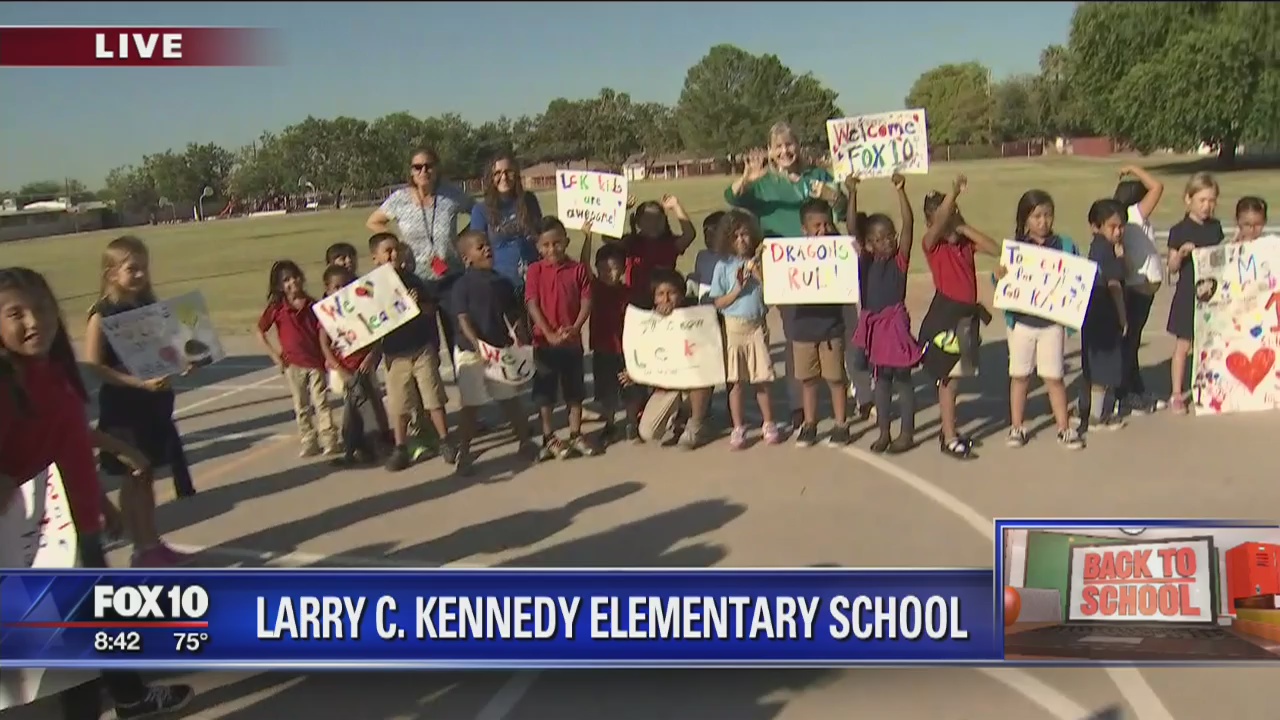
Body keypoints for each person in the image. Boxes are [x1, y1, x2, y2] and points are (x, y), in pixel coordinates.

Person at [0, 266, 195, 720]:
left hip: (78, 523)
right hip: (38, 542)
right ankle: (127, 697)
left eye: (43, 308)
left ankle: (127, 696)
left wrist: (110, 478)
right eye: (16, 313)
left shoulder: (50, 369)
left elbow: (68, 437)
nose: (35, 321)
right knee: (76, 650)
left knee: (93, 629)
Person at [726, 121, 849, 429]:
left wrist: (833, 194)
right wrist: (747, 177)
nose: (785, 151)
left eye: (789, 144)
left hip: (824, 266)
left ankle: (852, 396)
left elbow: (843, 208)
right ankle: (799, 404)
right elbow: (733, 198)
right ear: (770, 151)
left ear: (799, 145)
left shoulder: (817, 176)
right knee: (797, 334)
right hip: (786, 270)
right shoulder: (763, 182)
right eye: (778, 147)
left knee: (839, 329)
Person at [82, 236, 195, 568]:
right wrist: (138, 383)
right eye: (132, 268)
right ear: (111, 272)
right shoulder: (101, 313)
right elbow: (94, 366)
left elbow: (165, 352)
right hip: (124, 410)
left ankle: (150, 543)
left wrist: (182, 362)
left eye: (144, 267)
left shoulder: (149, 307)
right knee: (136, 475)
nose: (141, 274)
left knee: (146, 479)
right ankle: (143, 549)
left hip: (154, 406)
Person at [366, 147, 475, 363]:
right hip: (416, 280)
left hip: (451, 277)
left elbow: (478, 213)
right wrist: (397, 242)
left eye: (429, 166)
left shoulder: (451, 194)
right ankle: (432, 392)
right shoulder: (400, 199)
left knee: (459, 339)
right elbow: (373, 221)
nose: (423, 170)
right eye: (418, 167)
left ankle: (467, 389)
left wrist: (462, 241)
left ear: (436, 169)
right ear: (411, 172)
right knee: (426, 343)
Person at [917, 175, 998, 459]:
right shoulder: (932, 245)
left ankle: (949, 429)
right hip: (946, 315)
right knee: (948, 379)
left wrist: (962, 225)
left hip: (967, 316)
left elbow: (995, 248)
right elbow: (938, 224)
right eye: (945, 217)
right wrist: (952, 196)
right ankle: (949, 435)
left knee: (958, 376)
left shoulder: (964, 243)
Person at [996, 191, 1084, 450]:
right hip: (1023, 323)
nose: (1043, 221)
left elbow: (1077, 276)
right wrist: (999, 275)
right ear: (1026, 219)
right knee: (1020, 375)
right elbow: (1003, 284)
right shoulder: (1016, 248)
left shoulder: (1064, 244)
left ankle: (1064, 428)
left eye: (1047, 215)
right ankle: (1017, 426)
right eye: (1037, 216)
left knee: (1054, 376)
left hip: (1051, 324)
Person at [451, 230, 539, 474]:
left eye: (487, 245)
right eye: (480, 247)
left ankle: (524, 441)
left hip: (500, 350)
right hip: (472, 352)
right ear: (466, 258)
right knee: (471, 405)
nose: (487, 249)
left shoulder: (502, 282)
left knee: (510, 398)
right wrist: (477, 343)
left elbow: (512, 314)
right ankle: (465, 452)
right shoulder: (461, 285)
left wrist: (520, 333)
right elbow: (463, 319)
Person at [367, 233, 454, 471]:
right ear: (375, 257)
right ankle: (400, 447)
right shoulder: (370, 288)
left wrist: (417, 304)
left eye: (396, 249)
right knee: (399, 403)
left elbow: (429, 310)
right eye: (387, 251)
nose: (394, 254)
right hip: (395, 353)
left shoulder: (413, 280)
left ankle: (445, 439)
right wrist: (372, 354)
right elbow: (368, 324)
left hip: (420, 347)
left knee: (432, 396)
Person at [851, 173, 923, 453]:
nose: (888, 241)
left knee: (903, 380)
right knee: (880, 381)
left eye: (890, 236)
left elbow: (909, 224)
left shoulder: (900, 261)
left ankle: (906, 433)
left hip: (895, 326)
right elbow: (853, 228)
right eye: (879, 238)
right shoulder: (865, 262)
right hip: (874, 328)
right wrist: (853, 191)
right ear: (868, 243)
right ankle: (884, 432)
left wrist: (900, 190)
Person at [525, 216, 594, 460]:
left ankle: (575, 433)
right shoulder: (535, 270)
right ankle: (549, 436)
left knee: (574, 391)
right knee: (545, 393)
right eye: (545, 245)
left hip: (572, 343)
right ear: (538, 247)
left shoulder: (577, 269)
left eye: (557, 243)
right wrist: (549, 334)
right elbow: (532, 304)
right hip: (544, 343)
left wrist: (575, 328)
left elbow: (587, 300)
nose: (551, 249)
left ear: (566, 241)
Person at [254, 260, 340, 456]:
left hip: (315, 362)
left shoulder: (314, 305)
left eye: (295, 277)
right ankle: (309, 439)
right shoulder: (277, 308)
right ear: (279, 286)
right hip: (292, 364)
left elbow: (326, 331)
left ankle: (329, 438)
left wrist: (329, 352)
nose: (292, 282)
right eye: (286, 280)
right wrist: (275, 355)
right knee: (301, 404)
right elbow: (260, 331)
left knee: (321, 402)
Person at [710, 208, 779, 449]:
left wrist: (758, 274)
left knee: (762, 378)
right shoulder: (723, 266)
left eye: (745, 235)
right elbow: (717, 302)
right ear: (727, 239)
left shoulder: (760, 263)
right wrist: (738, 288)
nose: (741, 240)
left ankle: (769, 422)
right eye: (736, 236)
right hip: (733, 327)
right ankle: (738, 427)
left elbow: (774, 294)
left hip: (757, 325)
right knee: (736, 381)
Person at [784, 199, 851, 447]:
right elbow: (778, 284)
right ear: (804, 229)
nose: (823, 230)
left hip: (831, 327)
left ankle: (841, 423)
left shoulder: (840, 250)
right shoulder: (792, 257)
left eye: (827, 224)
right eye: (816, 226)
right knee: (808, 380)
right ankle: (810, 423)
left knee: (835, 378)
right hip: (802, 328)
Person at [626, 268, 713, 447]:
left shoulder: (696, 315)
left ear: (681, 295)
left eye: (671, 293)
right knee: (648, 432)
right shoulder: (647, 322)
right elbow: (642, 352)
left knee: (702, 374)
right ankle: (678, 420)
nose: (665, 299)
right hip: (666, 385)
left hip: (692, 379)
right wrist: (634, 372)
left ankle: (696, 424)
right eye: (660, 294)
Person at [318, 264, 392, 467]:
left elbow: (378, 335)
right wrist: (339, 369)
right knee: (357, 406)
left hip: (363, 367)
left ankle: (364, 446)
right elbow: (324, 344)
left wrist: (370, 357)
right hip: (345, 371)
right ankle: (365, 445)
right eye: (337, 286)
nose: (342, 290)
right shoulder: (328, 314)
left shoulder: (363, 307)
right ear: (327, 288)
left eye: (347, 285)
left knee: (360, 406)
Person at [1165, 172, 1224, 414]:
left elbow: (1221, 257)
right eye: (1202, 200)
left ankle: (1208, 386)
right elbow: (1171, 266)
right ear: (1188, 199)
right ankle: (1177, 393)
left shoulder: (1215, 227)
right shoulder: (1179, 230)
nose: (1207, 206)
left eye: (1211, 200)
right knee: (1184, 346)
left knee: (1211, 344)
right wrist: (1180, 254)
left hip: (1212, 294)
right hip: (1188, 294)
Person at [579, 221, 643, 445]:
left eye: (614, 268)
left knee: (631, 388)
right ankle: (609, 424)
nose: (609, 272)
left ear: (624, 268)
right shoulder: (595, 287)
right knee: (606, 391)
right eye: (604, 268)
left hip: (627, 349)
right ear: (597, 268)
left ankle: (632, 424)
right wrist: (587, 237)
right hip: (603, 348)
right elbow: (583, 264)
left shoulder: (629, 291)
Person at [1112, 165, 1167, 414]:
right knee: (1130, 342)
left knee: (1131, 341)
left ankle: (1134, 388)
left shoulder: (1127, 220)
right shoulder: (1135, 213)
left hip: (1141, 285)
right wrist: (1133, 167)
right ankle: (1127, 393)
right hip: (1138, 286)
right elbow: (1158, 186)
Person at [1077, 199, 1130, 434]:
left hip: (1090, 313)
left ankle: (1085, 409)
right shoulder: (1108, 251)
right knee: (1104, 369)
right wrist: (1122, 316)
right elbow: (1115, 284)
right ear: (1096, 226)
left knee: (1090, 364)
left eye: (1121, 226)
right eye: (1113, 226)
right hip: (1105, 313)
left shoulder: (1094, 247)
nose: (1118, 232)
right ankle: (1099, 416)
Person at [841, 176, 885, 421]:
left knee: (875, 360)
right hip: (857, 309)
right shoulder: (853, 251)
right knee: (856, 359)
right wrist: (852, 193)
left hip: (877, 313)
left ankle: (876, 399)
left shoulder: (879, 256)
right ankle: (864, 399)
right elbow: (850, 227)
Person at [470, 153, 543, 299]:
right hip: (500, 283)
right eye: (497, 173)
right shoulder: (481, 210)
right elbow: (477, 252)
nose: (504, 177)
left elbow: (540, 235)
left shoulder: (529, 200)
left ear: (515, 174)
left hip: (534, 280)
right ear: (490, 177)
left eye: (508, 172)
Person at [621, 195, 696, 303]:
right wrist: (622, 209)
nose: (654, 222)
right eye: (648, 218)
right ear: (638, 222)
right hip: (636, 301)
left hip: (664, 301)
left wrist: (676, 206)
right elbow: (607, 238)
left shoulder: (670, 243)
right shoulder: (631, 242)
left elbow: (689, 235)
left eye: (658, 217)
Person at [690, 210, 728, 298]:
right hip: (705, 301)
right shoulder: (702, 256)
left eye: (714, 233)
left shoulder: (734, 257)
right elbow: (698, 277)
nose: (708, 238)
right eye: (705, 234)